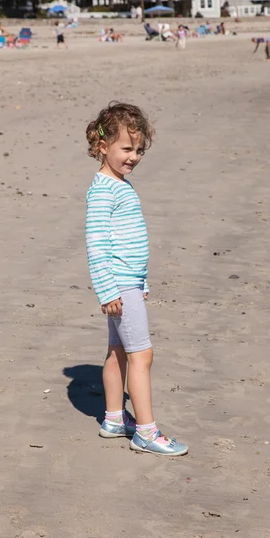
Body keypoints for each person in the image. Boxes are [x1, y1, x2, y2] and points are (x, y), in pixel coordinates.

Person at [85, 102, 188, 457]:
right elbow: (97, 247)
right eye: (126, 149)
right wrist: (109, 289)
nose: (134, 157)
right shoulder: (103, 191)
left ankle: (115, 418)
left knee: (118, 352)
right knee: (142, 355)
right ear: (103, 147)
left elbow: (125, 241)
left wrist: (139, 283)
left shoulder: (118, 184)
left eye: (139, 150)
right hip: (118, 285)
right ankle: (146, 431)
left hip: (128, 283)